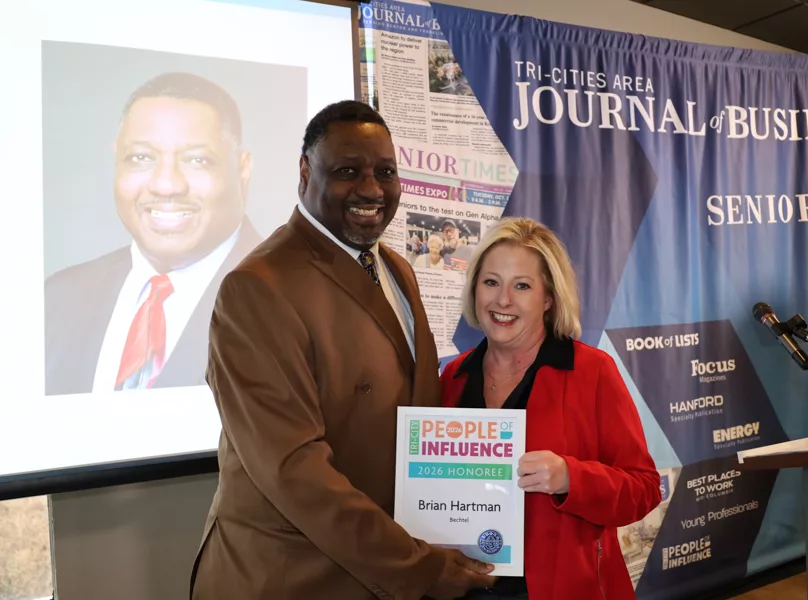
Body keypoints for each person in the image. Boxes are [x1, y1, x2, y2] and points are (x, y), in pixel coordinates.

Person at [190, 100, 497, 600]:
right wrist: (418, 567)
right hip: (294, 580)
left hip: (382, 569)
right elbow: (294, 471)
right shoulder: (257, 289)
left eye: (386, 172)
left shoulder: (396, 268)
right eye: (347, 171)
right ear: (305, 173)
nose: (372, 189)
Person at [440, 217, 662, 599]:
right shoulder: (453, 377)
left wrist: (570, 478)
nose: (503, 300)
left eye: (522, 286)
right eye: (491, 282)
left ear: (548, 298)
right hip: (466, 587)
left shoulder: (592, 372)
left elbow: (643, 489)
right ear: (474, 289)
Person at [43, 72, 262, 395]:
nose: (166, 184)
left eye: (197, 160)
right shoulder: (58, 299)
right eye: (141, 158)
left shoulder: (290, 302)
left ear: (242, 169)